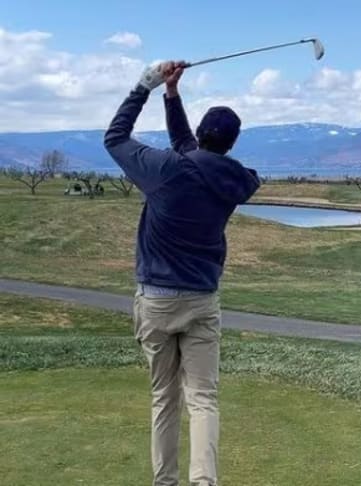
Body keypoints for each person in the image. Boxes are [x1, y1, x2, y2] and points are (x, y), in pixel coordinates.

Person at [104, 61, 260, 486]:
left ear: (204, 136)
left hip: (155, 300)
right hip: (201, 301)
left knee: (164, 398)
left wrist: (146, 86)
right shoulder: (236, 180)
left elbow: (115, 138)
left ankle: (165, 482)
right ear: (230, 143)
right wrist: (172, 96)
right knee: (204, 399)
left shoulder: (166, 169)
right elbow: (193, 152)